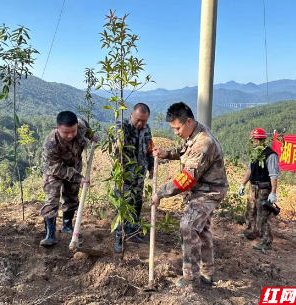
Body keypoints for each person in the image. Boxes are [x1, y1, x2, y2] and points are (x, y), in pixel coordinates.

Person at [151, 102, 228, 288]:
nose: (175, 132)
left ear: (188, 121)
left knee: (188, 226)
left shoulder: (204, 143)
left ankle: (191, 277)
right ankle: (207, 273)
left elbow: (187, 180)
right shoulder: (194, 132)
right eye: (173, 128)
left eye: (177, 128)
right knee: (202, 230)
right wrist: (167, 154)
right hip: (203, 188)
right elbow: (185, 150)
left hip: (209, 191)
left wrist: (160, 193)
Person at [39, 111, 99, 247]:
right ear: (57, 129)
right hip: (54, 171)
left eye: (73, 131)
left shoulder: (81, 125)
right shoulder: (50, 144)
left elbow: (87, 129)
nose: (71, 135)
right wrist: (79, 177)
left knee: (72, 196)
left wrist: (92, 136)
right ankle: (50, 234)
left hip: (74, 165)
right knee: (51, 199)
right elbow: (56, 168)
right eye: (66, 132)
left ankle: (67, 225)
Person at [114, 103, 154, 252]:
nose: (140, 123)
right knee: (122, 206)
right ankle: (119, 237)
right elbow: (117, 136)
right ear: (131, 115)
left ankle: (133, 232)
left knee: (137, 204)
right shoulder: (122, 126)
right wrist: (118, 141)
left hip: (139, 175)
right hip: (124, 176)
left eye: (144, 120)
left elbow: (149, 149)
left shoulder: (146, 129)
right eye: (137, 120)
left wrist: (151, 168)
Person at [238, 128, 279, 251]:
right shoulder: (254, 153)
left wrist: (273, 192)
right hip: (253, 186)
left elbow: (273, 174)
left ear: (263, 140)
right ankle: (250, 232)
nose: (255, 142)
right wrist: (243, 184)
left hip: (264, 188)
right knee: (250, 211)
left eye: (257, 140)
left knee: (263, 216)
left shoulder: (270, 155)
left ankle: (267, 242)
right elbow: (249, 170)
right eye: (254, 140)